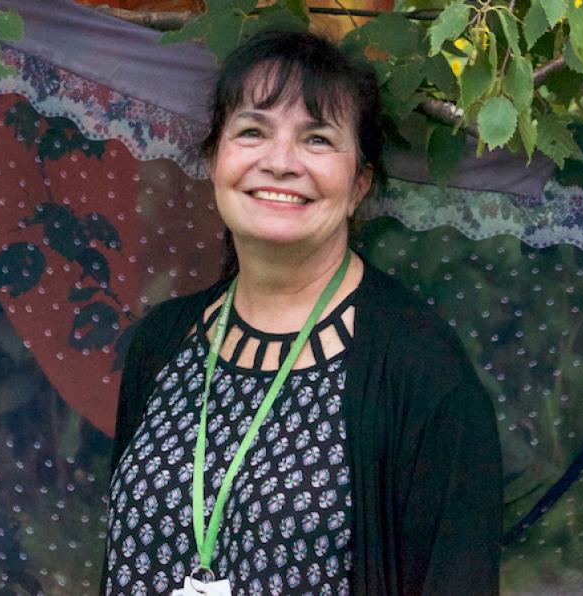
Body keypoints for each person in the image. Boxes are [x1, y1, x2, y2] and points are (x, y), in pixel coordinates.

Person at [103, 29, 501, 596]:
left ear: (359, 182)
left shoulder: (424, 372)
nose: (280, 163)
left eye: (316, 139)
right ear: (215, 159)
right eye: (252, 131)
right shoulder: (163, 342)